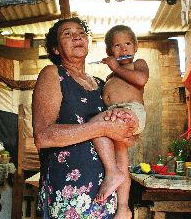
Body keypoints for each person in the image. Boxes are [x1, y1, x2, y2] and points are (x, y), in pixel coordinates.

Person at [32, 18, 137, 219]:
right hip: (68, 198)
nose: (77, 36)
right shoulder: (53, 74)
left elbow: (122, 144)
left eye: (81, 32)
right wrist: (102, 127)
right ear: (55, 49)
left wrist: (123, 206)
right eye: (67, 34)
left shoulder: (101, 85)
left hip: (105, 200)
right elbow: (42, 136)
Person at [90, 25, 149, 218]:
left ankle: (111, 172)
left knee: (94, 126)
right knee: (121, 157)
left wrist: (116, 67)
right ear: (109, 52)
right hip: (115, 113)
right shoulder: (110, 76)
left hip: (131, 111)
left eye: (128, 43)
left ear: (136, 46)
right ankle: (123, 208)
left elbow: (140, 80)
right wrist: (112, 73)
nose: (123, 49)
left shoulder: (137, 64)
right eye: (117, 46)